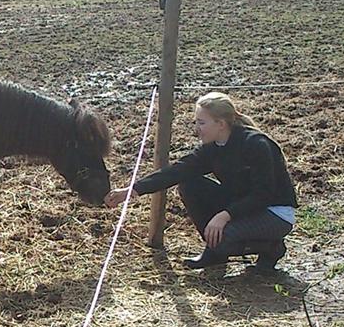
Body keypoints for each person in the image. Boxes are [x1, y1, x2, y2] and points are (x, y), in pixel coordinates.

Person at [104, 92, 297, 271]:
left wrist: (225, 215)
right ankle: (216, 253)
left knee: (223, 239)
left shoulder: (256, 145)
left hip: (274, 213)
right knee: (189, 184)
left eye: (202, 123)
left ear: (220, 123)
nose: (196, 129)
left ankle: (271, 247)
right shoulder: (213, 148)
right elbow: (176, 171)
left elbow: (263, 195)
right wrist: (132, 191)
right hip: (244, 206)